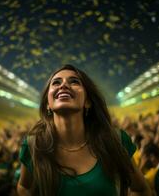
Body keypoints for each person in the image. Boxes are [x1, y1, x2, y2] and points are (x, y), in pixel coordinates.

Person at [17, 64, 151, 196]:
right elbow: (24, 187)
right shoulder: (34, 145)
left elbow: (140, 189)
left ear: (88, 101)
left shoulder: (116, 140)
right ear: (47, 104)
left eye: (74, 82)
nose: (63, 85)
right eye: (56, 82)